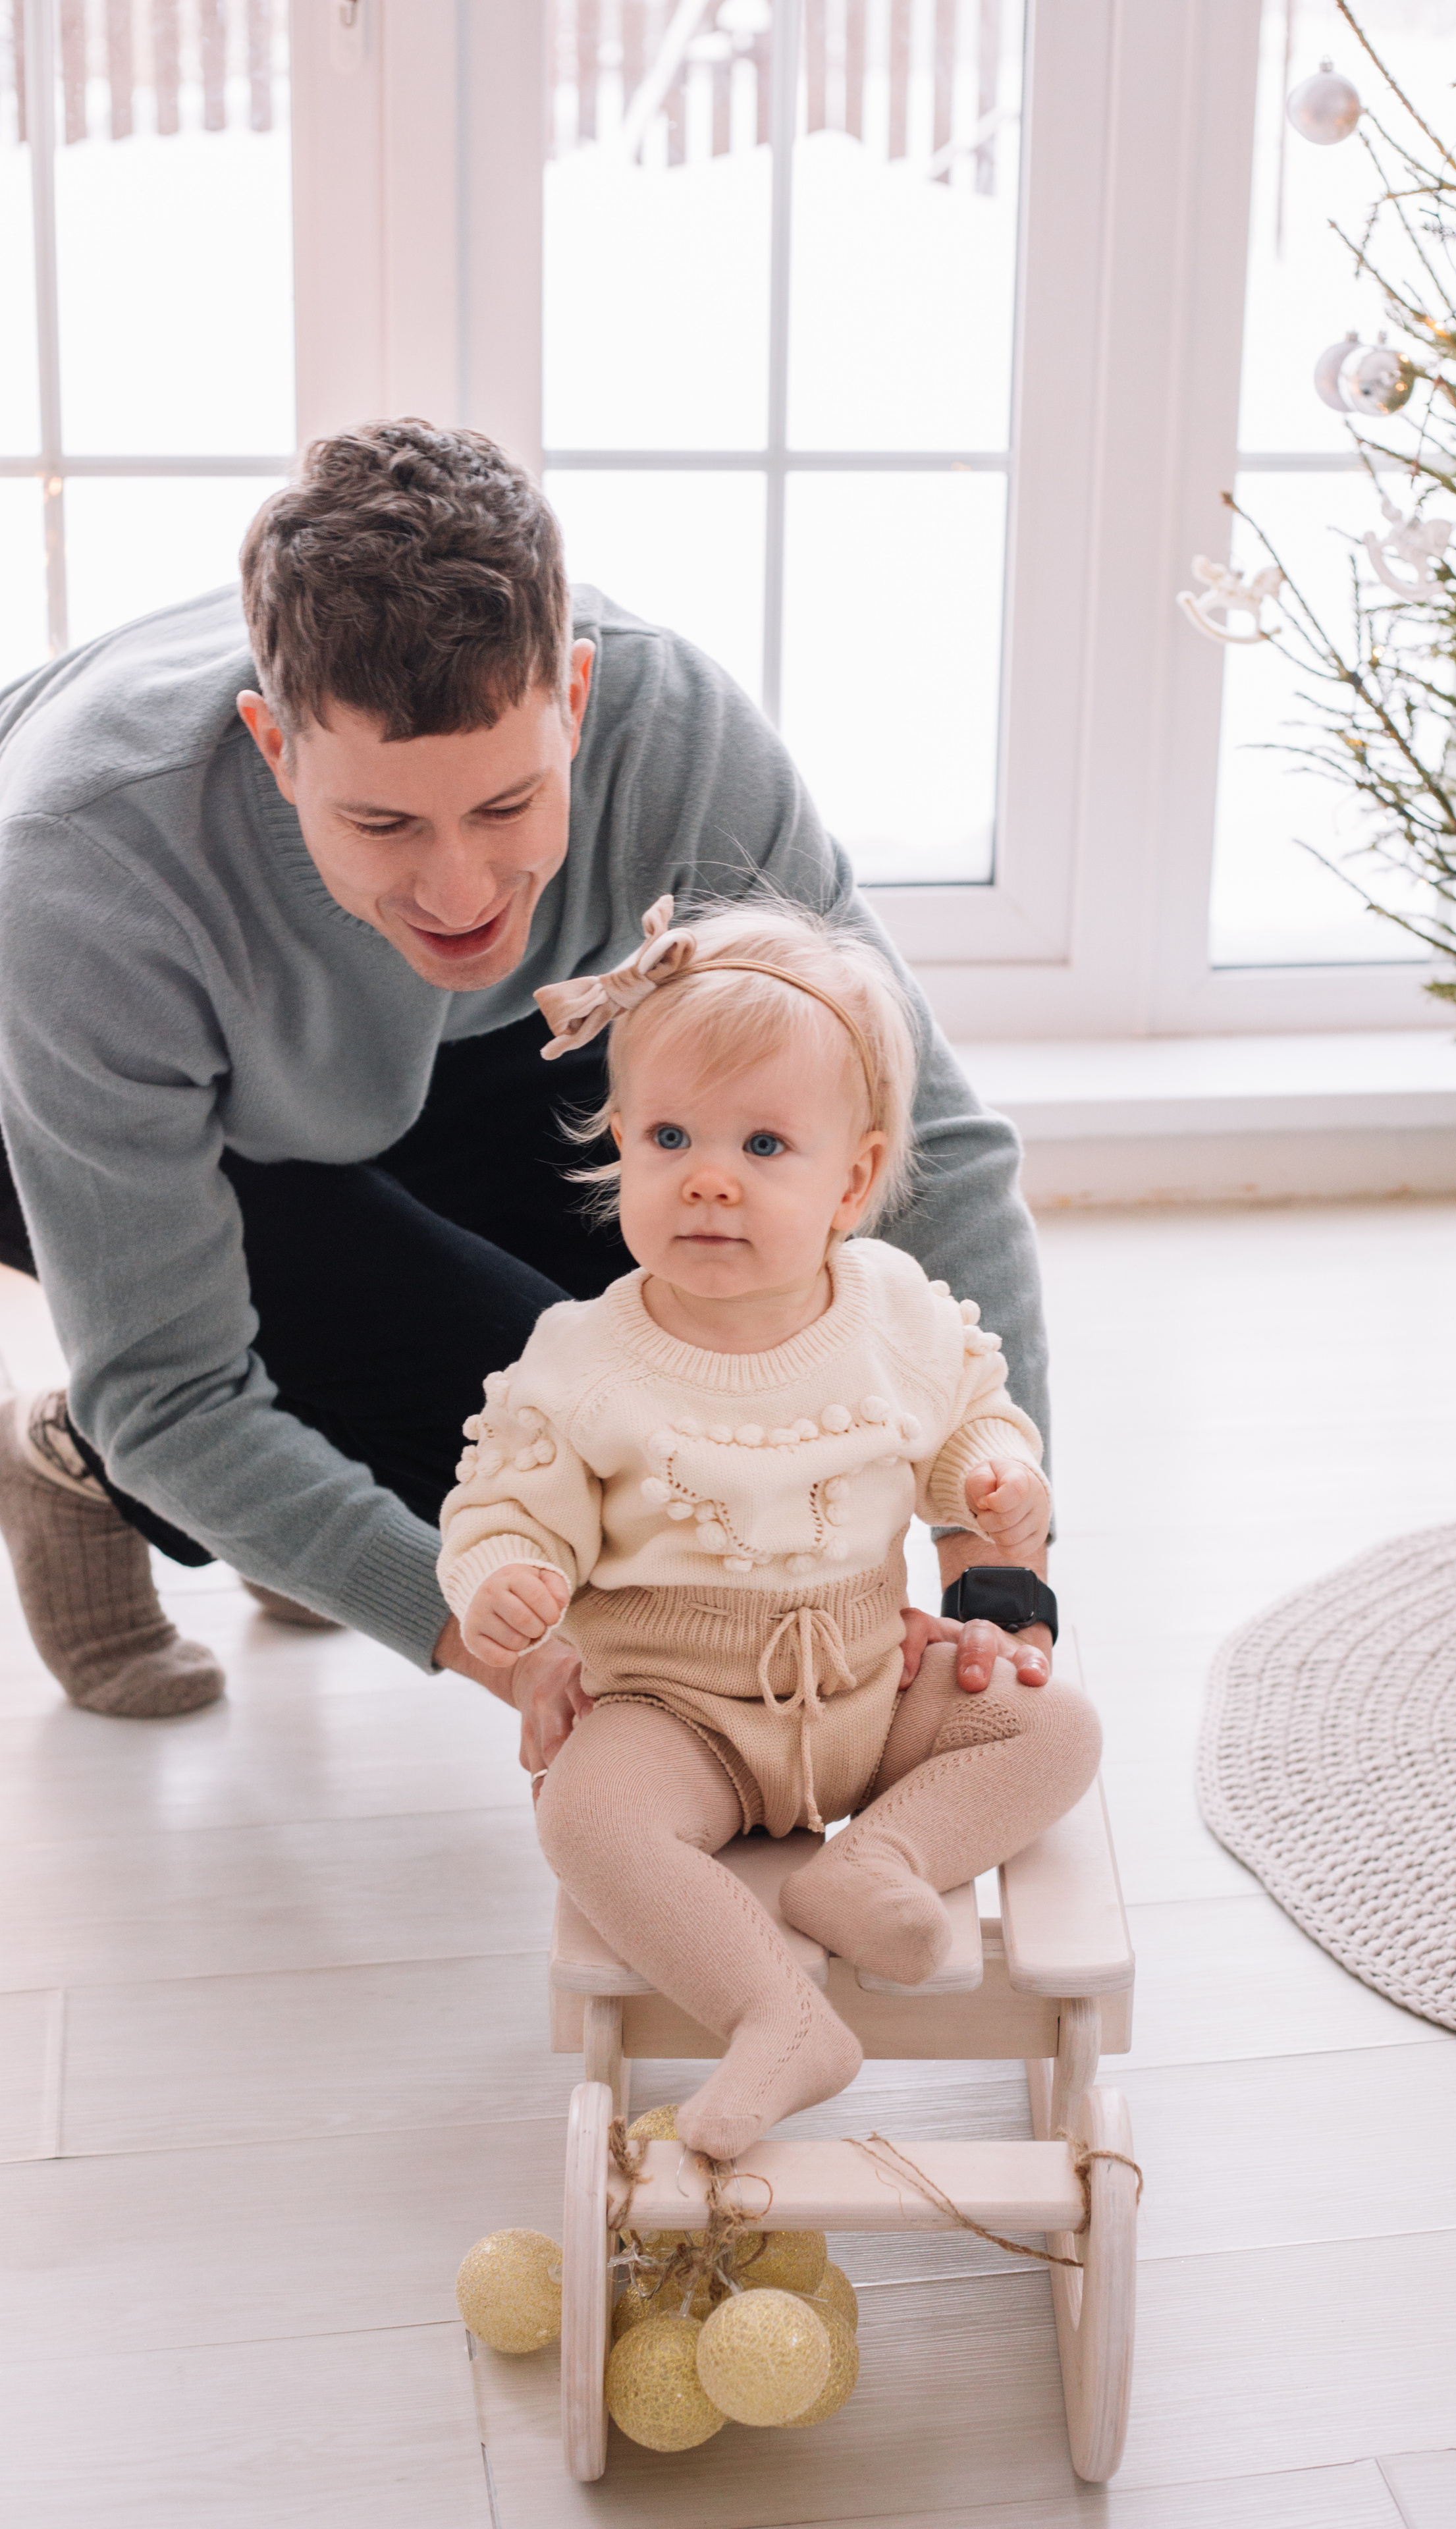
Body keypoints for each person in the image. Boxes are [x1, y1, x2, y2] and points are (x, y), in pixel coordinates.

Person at [0, 419, 1054, 1780]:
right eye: (381, 824)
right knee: (583, 1479)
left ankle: (312, 1451)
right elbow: (179, 1393)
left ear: (576, 699)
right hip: (51, 1051)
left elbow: (930, 1152)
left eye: (507, 806)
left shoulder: (676, 734)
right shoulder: (82, 882)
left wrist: (996, 1543)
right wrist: (505, 1640)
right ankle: (73, 1457)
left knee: (697, 1357)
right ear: (273, 744)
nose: (457, 891)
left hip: (451, 1042)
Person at [438, 897, 1098, 2159]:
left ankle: (877, 1865)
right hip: (678, 1716)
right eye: (672, 1136)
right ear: (620, 1144)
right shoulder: (584, 1361)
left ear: (852, 1178)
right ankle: (779, 2015)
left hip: (866, 1686)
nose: (711, 1178)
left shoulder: (895, 1310)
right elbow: (506, 1502)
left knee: (1052, 1729)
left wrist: (1000, 1478)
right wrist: (509, 1578)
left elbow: (968, 1417)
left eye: (765, 1144)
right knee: (585, 1814)